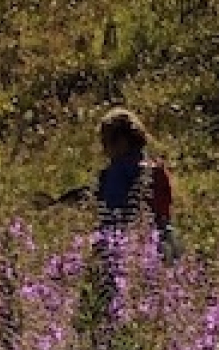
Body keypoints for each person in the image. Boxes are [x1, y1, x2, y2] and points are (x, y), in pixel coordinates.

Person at [55, 107, 177, 255]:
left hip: (128, 247)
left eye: (106, 143)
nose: (105, 151)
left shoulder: (118, 171)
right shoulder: (156, 168)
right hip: (166, 241)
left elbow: (113, 214)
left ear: (121, 141)